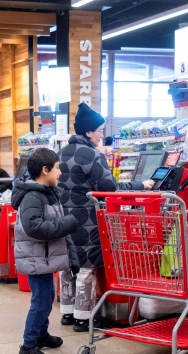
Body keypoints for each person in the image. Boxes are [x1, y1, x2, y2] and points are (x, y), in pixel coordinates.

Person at [58, 103, 154, 332]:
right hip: (88, 219)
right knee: (86, 267)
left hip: (63, 218)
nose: (102, 134)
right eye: (99, 130)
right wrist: (141, 185)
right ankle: (83, 318)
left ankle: (67, 313)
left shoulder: (61, 153)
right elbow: (110, 188)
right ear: (88, 131)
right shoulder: (92, 155)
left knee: (68, 265)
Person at [13, 148, 78, 354]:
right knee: (41, 302)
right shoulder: (33, 196)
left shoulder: (45, 193)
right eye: (57, 168)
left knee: (47, 296)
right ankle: (28, 347)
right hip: (36, 258)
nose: (60, 173)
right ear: (45, 169)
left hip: (43, 258)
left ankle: (41, 334)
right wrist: (67, 223)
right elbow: (34, 227)